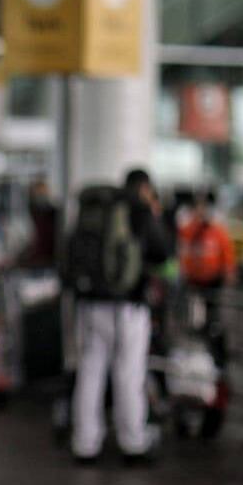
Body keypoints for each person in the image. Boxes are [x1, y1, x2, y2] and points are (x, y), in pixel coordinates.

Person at [71, 168, 172, 466]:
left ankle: (85, 443)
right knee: (128, 372)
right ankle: (132, 442)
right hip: (127, 306)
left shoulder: (95, 207)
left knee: (90, 371)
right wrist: (154, 215)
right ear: (143, 188)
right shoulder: (138, 209)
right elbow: (163, 251)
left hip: (90, 304)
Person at [178, 191, 237, 291]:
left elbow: (227, 251)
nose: (201, 212)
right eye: (198, 208)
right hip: (193, 279)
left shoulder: (217, 230)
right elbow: (182, 252)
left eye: (204, 208)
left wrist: (229, 270)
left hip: (214, 278)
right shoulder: (186, 231)